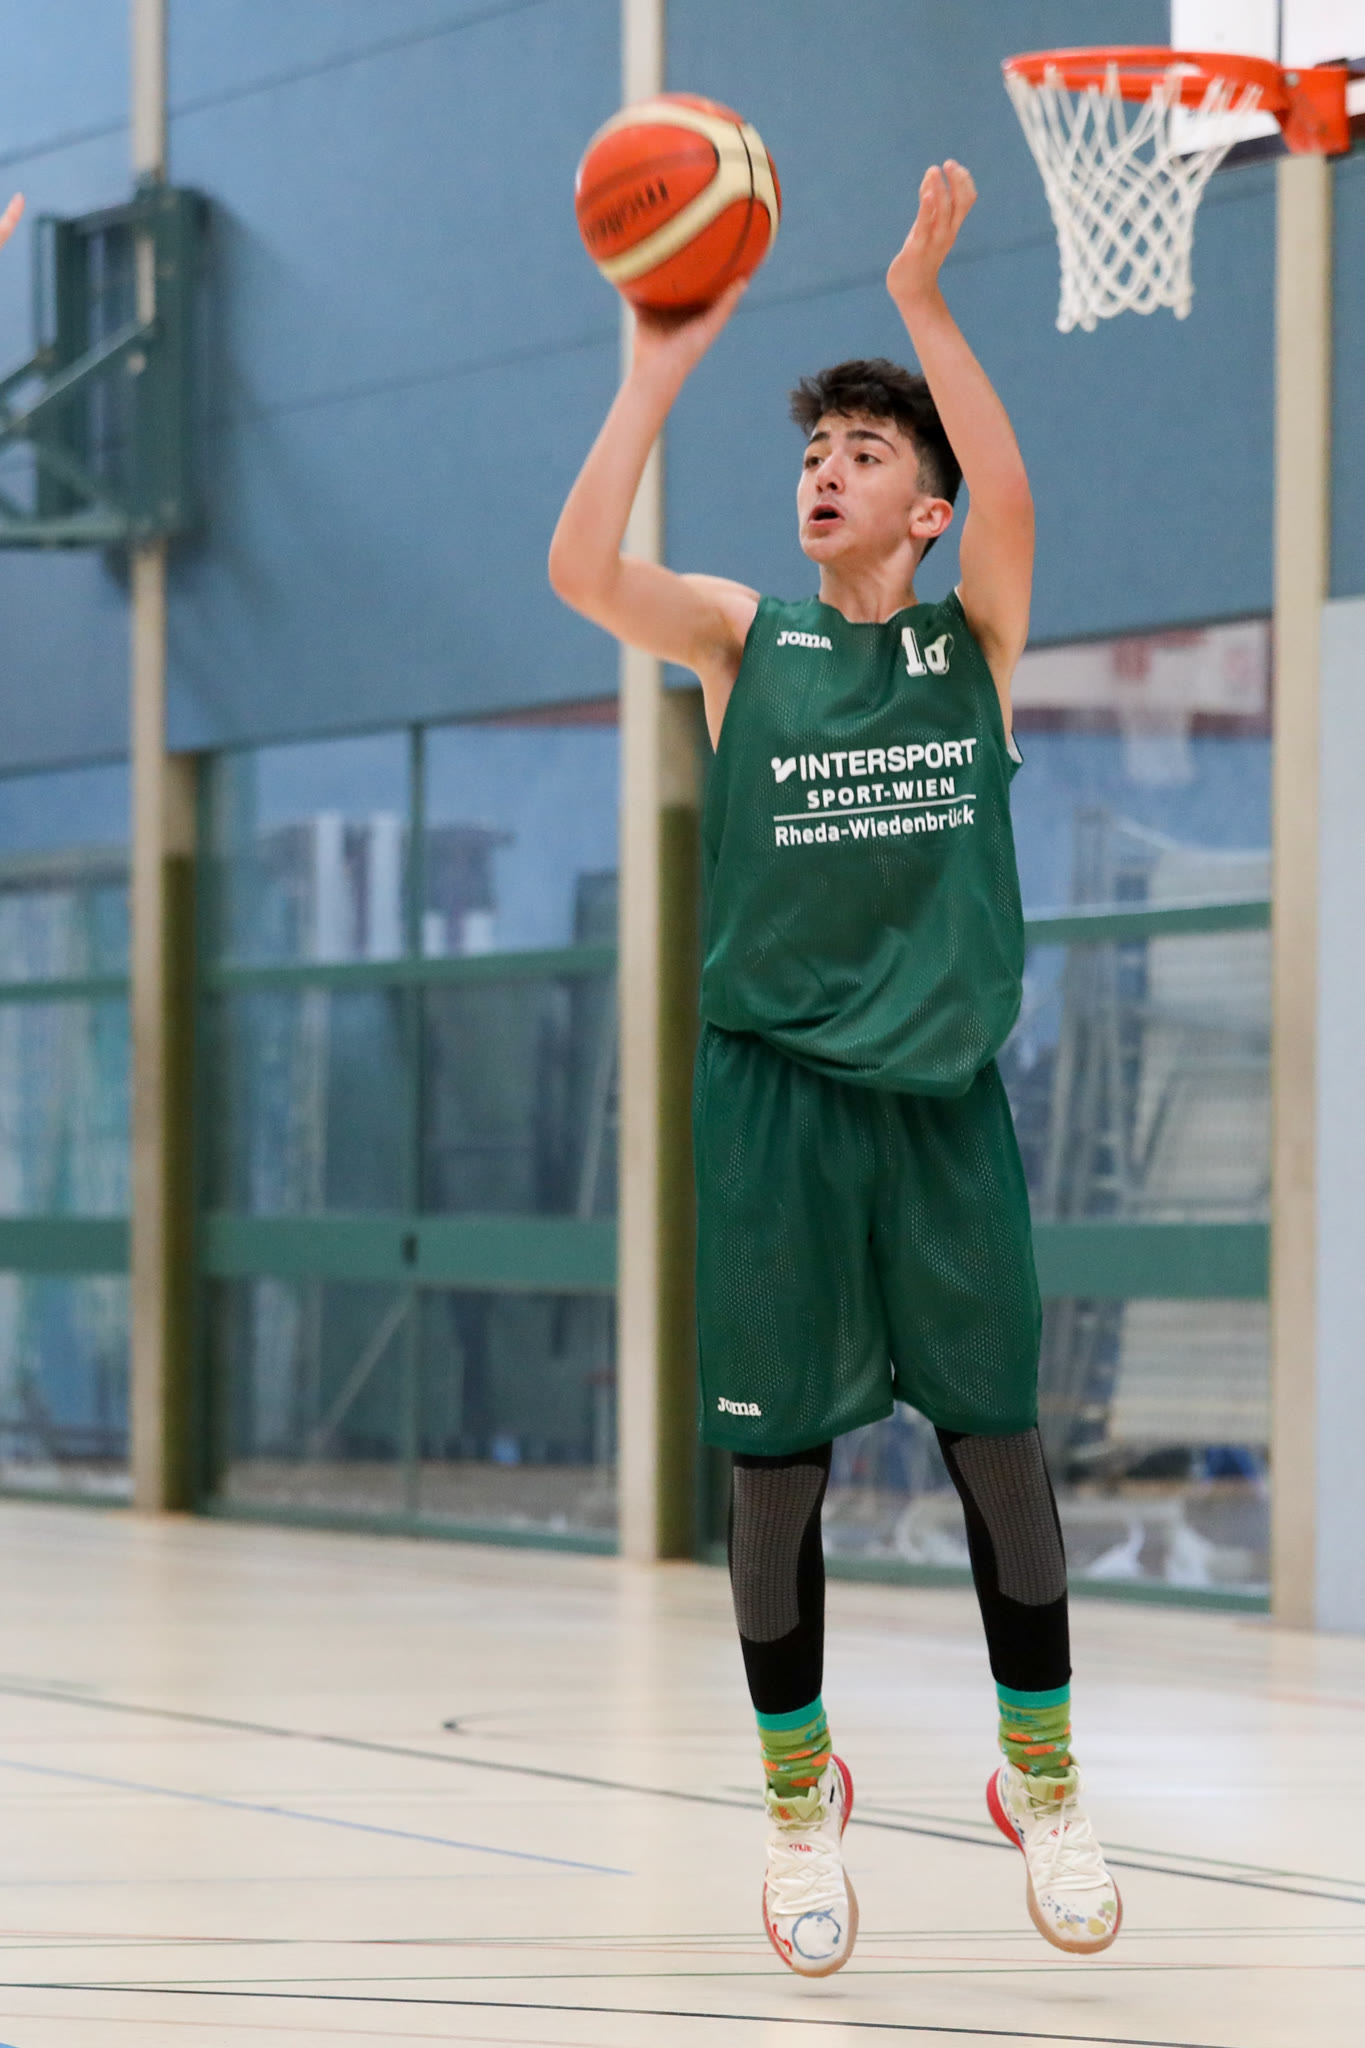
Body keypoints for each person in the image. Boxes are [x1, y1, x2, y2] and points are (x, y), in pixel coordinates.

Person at [548, 161, 1120, 1979]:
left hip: (939, 1104)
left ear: (924, 512)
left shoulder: (973, 645)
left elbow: (1018, 494)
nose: (825, 470)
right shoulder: (745, 636)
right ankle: (799, 1809)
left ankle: (1042, 1781)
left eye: (865, 453)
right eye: (813, 450)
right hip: (772, 1106)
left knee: (997, 1445)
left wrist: (925, 309)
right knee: (772, 1475)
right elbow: (579, 573)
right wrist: (656, 362)